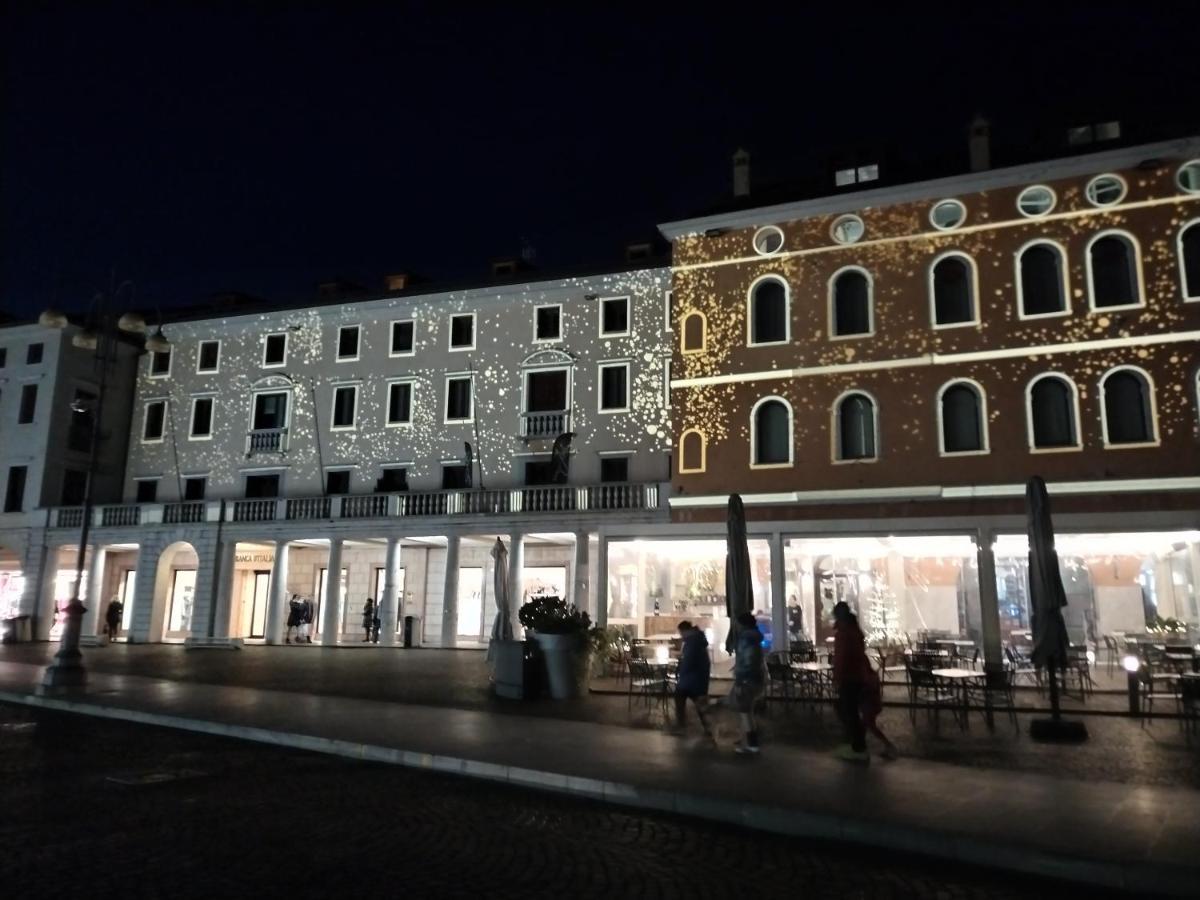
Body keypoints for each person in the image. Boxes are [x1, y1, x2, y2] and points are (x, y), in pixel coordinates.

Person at [831, 600, 873, 763]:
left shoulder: (843, 632)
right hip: (858, 676)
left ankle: (857, 747)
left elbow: (841, 658)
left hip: (849, 677)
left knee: (849, 712)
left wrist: (837, 678)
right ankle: (857, 744)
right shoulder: (855, 630)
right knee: (852, 711)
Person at [732, 611, 765, 754]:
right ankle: (751, 741)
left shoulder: (746, 639)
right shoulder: (755, 637)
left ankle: (751, 744)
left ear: (743, 625)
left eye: (738, 624)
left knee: (745, 711)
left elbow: (748, 661)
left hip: (747, 679)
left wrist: (740, 679)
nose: (736, 626)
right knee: (748, 711)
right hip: (756, 677)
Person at [673, 620, 712, 739]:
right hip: (699, 678)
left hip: (690, 679)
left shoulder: (692, 641)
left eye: (681, 632)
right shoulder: (698, 639)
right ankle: (708, 728)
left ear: (685, 631)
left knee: (680, 698)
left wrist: (681, 670)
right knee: (700, 704)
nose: (681, 635)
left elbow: (689, 661)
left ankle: (682, 727)